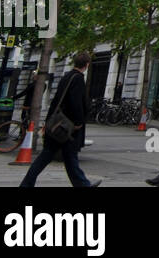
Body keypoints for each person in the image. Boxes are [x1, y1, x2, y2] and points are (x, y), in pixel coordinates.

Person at [21, 52, 100, 188]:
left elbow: (56, 100)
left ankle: (82, 184)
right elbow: (76, 103)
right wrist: (78, 123)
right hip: (66, 127)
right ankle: (82, 185)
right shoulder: (78, 79)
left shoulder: (67, 77)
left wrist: (48, 121)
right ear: (87, 65)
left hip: (57, 124)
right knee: (62, 157)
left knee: (64, 158)